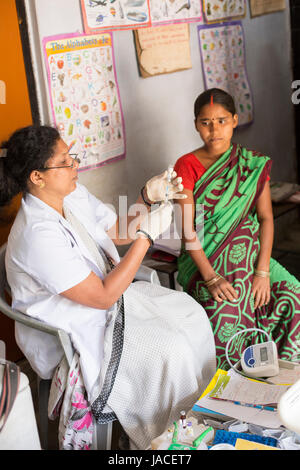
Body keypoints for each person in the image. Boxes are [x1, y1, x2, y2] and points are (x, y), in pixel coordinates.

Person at [1, 125, 216, 450]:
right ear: (37, 176)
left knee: (192, 314)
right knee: (170, 350)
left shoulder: (69, 195)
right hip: (75, 326)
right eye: (65, 161)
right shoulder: (36, 236)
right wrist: (146, 237)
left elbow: (115, 230)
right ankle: (167, 441)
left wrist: (147, 197)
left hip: (108, 300)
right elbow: (101, 297)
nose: (76, 165)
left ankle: (198, 418)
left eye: (72, 156)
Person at [174, 88, 300, 370]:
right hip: (204, 261)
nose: (214, 129)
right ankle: (232, 394)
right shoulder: (187, 165)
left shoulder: (252, 164)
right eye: (205, 122)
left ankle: (283, 380)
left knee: (294, 297)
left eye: (221, 120)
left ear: (234, 120)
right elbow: (187, 229)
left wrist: (263, 271)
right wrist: (211, 278)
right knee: (227, 316)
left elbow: (266, 218)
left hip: (252, 254)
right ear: (196, 125)